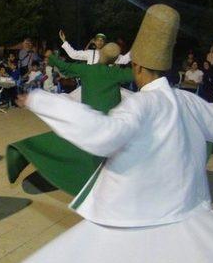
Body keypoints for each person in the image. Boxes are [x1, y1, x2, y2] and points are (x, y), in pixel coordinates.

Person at [12, 4, 213, 263]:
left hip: (135, 221)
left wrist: (42, 101)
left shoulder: (140, 105)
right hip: (186, 216)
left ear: (137, 67)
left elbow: (103, 134)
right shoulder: (188, 101)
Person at [7, 42, 134, 195]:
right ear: (114, 61)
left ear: (100, 54)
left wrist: (52, 58)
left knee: (71, 144)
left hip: (90, 120)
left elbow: (65, 67)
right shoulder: (116, 73)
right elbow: (137, 75)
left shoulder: (87, 69)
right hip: (110, 124)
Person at [59, 30, 131, 65]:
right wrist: (64, 41)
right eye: (98, 40)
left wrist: (137, 48)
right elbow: (73, 54)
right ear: (95, 42)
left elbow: (124, 60)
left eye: (102, 40)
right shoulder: (89, 53)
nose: (100, 42)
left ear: (105, 43)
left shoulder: (109, 54)